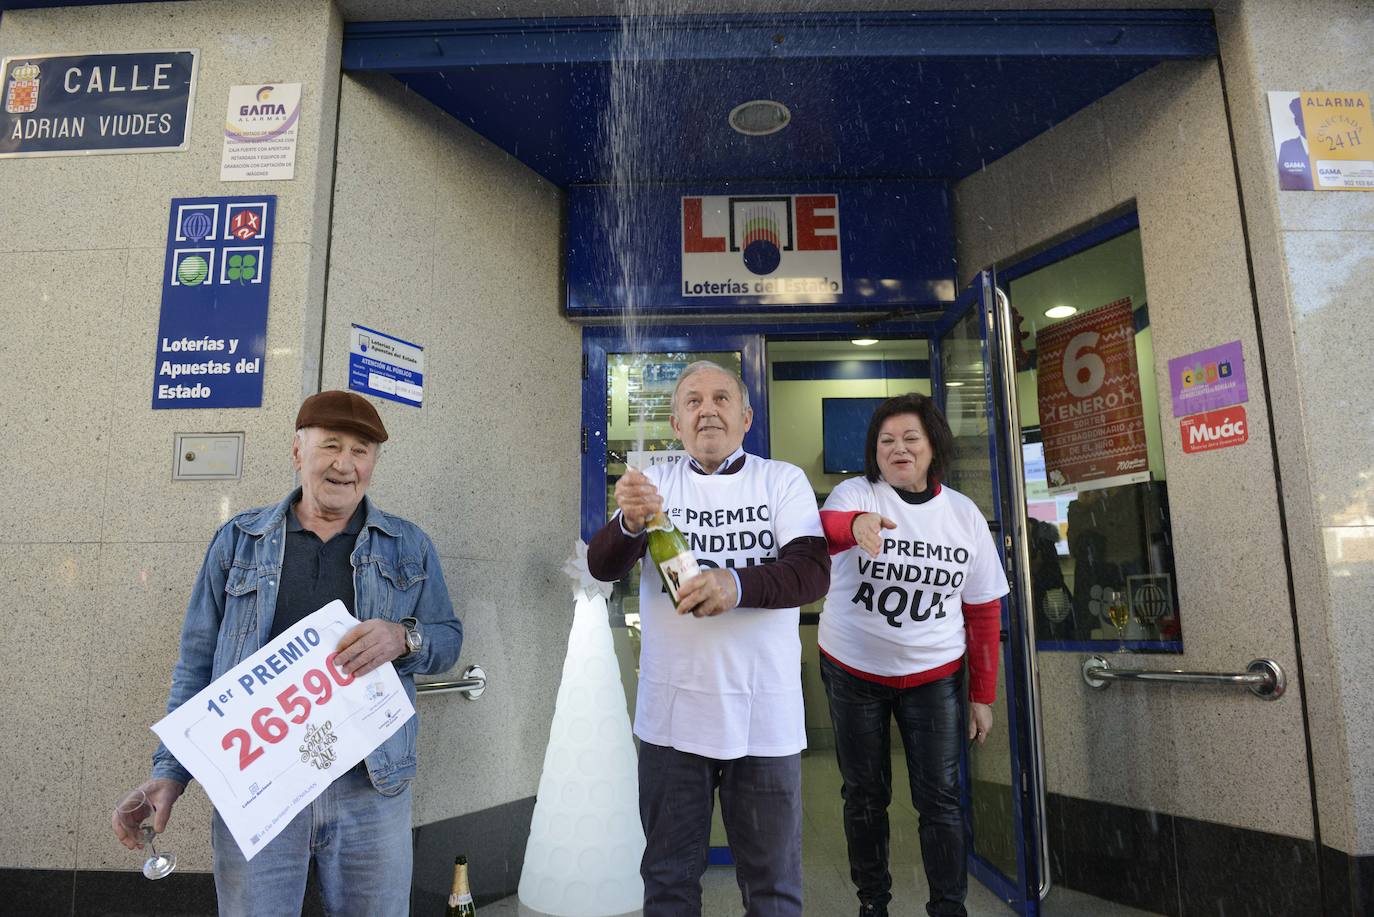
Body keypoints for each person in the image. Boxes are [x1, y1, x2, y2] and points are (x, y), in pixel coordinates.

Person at [112, 390, 463, 916]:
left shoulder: (408, 546)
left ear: (374, 463)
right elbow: (197, 667)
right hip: (258, 791)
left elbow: (448, 638)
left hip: (371, 787)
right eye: (331, 446)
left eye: (361, 450)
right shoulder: (239, 541)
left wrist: (404, 637)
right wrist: (171, 773)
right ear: (298, 452)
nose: (345, 464)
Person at [587, 360, 830, 917]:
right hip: (672, 719)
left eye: (722, 398)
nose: (707, 409)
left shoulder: (781, 480)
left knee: (772, 888)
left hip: (764, 719)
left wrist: (736, 584)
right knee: (669, 883)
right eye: (693, 401)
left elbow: (811, 572)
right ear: (677, 423)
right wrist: (627, 523)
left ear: (746, 417)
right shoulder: (657, 484)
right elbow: (602, 566)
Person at [817, 393, 1008, 917]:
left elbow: (984, 611)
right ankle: (872, 903)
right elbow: (827, 530)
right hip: (853, 670)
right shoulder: (856, 493)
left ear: (932, 447)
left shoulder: (963, 514)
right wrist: (856, 525)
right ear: (874, 453)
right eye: (886, 441)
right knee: (864, 795)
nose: (898, 448)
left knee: (941, 800)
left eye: (910, 439)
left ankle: (949, 907)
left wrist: (981, 696)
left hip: (935, 675)